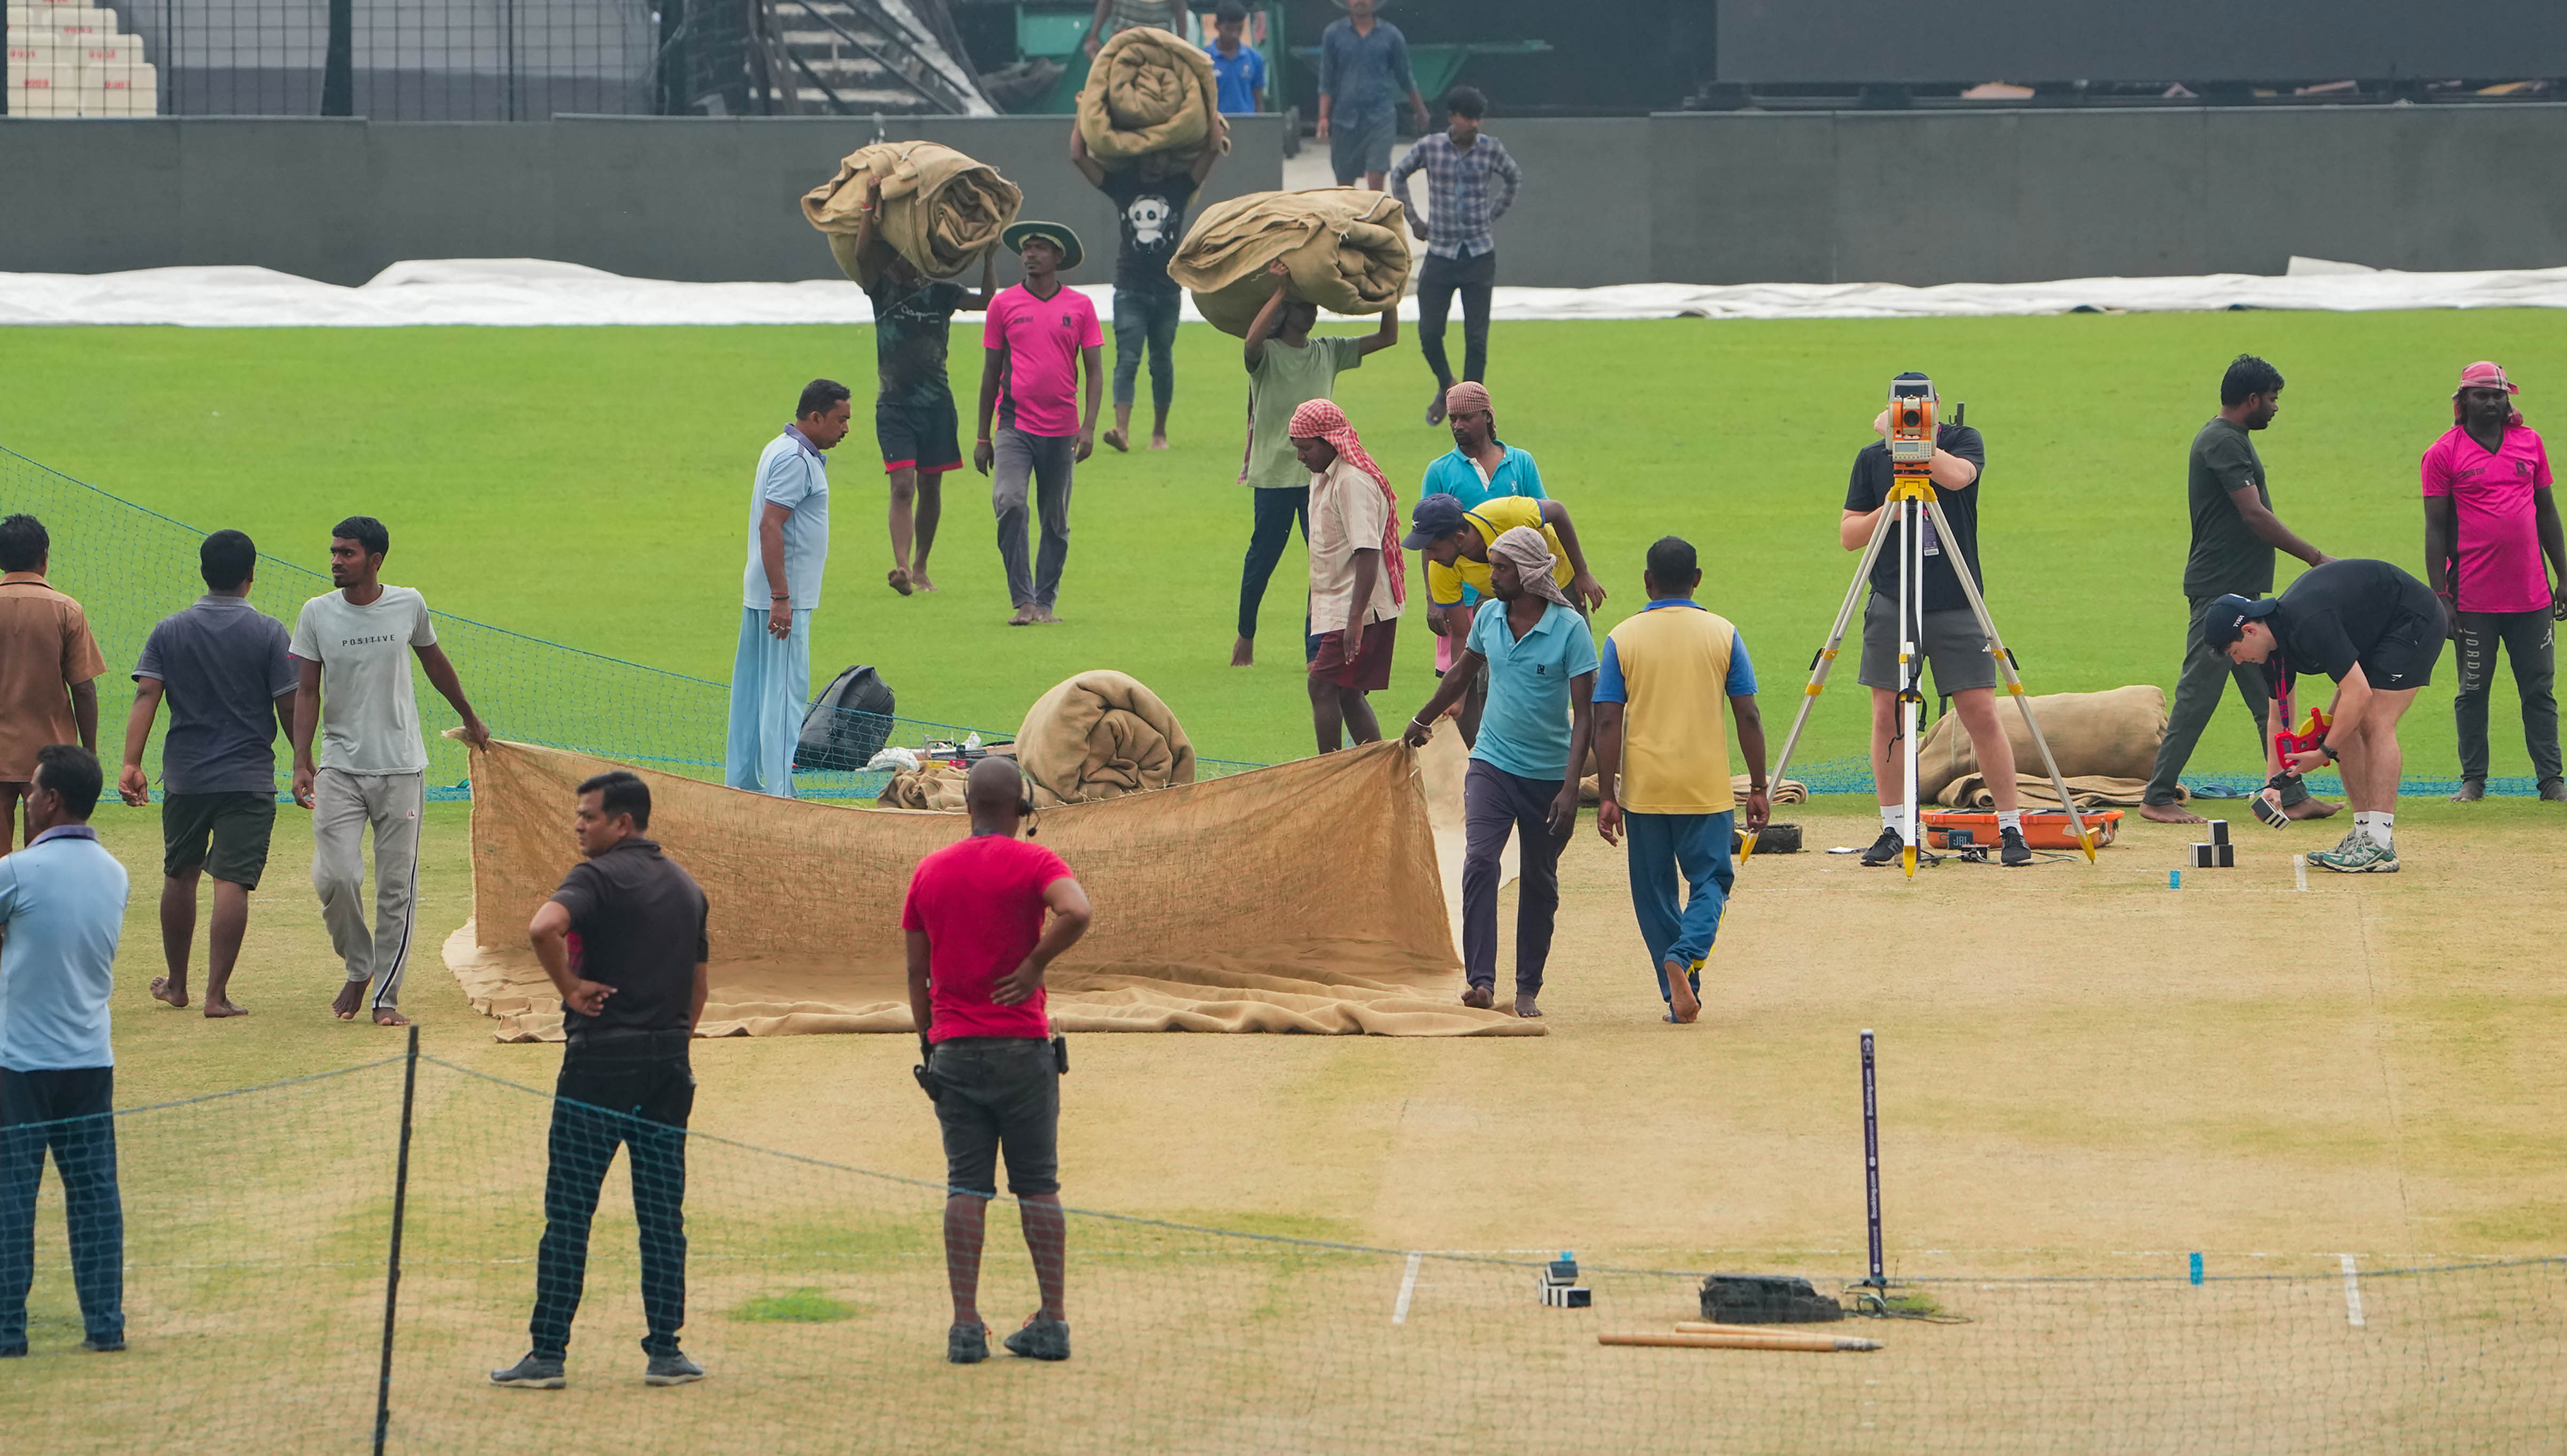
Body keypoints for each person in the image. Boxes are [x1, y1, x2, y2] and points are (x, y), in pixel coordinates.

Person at [492, 771, 709, 1391]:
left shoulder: (593, 878)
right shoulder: (686, 887)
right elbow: (699, 988)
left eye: (589, 815)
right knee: (662, 1212)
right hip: (668, 1066)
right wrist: (673, 1039)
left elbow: (542, 928)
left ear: (623, 822)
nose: (578, 825)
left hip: (598, 1066)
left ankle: (548, 1353)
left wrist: (570, 987)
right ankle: (666, 1350)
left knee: (569, 1210)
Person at [904, 757, 1092, 1366]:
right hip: (1023, 1048)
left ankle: (964, 1324)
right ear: (1022, 808)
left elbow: (915, 970)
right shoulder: (1037, 862)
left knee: (966, 1186)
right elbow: (1078, 911)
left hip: (954, 1048)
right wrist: (1035, 964)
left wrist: (930, 1039)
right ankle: (1053, 1320)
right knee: (1038, 1185)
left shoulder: (930, 871)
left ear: (968, 807)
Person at [289, 515, 493, 1027]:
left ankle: (385, 996)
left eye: (347, 553)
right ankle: (360, 966)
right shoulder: (316, 613)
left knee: (396, 888)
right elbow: (307, 691)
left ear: (375, 560)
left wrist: (468, 714)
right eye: (334, 551)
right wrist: (299, 759)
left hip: (402, 768)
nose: (336, 560)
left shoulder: (409, 603)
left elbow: (434, 663)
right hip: (339, 767)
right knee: (334, 876)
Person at [1400, 527, 1595, 1018]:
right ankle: (1481, 982)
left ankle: (1527, 986)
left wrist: (1572, 789)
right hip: (1491, 764)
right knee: (1480, 863)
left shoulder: (1571, 630)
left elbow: (1586, 714)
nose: (1493, 576)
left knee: (1539, 880)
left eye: (1502, 568)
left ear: (1530, 574)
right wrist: (1421, 720)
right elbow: (1463, 672)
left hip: (1549, 777)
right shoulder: (1489, 614)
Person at [1839, 374, 2031, 869]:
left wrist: (1911, 441)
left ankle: (2011, 829)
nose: (1911, 411)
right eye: (1903, 405)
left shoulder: (1963, 441)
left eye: (1920, 404)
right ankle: (1895, 827)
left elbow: (1958, 477)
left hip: (1956, 602)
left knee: (1981, 713)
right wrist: (1891, 509)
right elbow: (1849, 535)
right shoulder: (1871, 459)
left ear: (1937, 405)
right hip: (1892, 599)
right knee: (1887, 714)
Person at [2142, 355, 2339, 824]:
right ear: (2251, 399)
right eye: (2271, 399)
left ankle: (2290, 794)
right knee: (2198, 694)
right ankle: (2157, 795)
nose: (2274, 408)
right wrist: (2315, 558)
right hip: (2220, 593)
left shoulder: (2232, 439)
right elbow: (2253, 514)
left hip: (2242, 590)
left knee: (2271, 698)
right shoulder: (2222, 442)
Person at [116, 529, 296, 1019]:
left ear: (203, 572)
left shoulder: (169, 630)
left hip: (186, 777)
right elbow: (287, 705)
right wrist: (304, 761)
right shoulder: (269, 632)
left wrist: (132, 762)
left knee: (180, 874)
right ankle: (216, 996)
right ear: (250, 576)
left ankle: (177, 984)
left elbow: (147, 694)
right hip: (249, 778)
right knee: (231, 882)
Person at [1591, 538, 1768, 1026]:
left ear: (1647, 581)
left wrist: (1607, 794)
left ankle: (1679, 991)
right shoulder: (1723, 633)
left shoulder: (1622, 638)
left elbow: (1606, 723)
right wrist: (1757, 785)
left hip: (1645, 791)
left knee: (1653, 895)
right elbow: (1747, 715)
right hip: (1705, 788)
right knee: (1711, 880)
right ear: (1698, 579)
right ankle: (1685, 956)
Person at [0, 745, 129, 1358]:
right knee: (96, 1192)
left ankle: (6, 1330)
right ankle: (106, 1324)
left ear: (51, 800)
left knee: (10, 1194)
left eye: (30, 793)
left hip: (18, 1065)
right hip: (89, 1062)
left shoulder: (17, 871)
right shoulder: (115, 871)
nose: (25, 801)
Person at [2208, 559, 2447, 873]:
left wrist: (2323, 751)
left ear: (2249, 630)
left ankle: (2379, 843)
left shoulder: (2308, 621)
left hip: (2413, 618)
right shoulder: (2272, 650)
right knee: (2342, 726)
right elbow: (2278, 721)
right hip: (2376, 632)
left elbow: (2358, 693)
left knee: (2374, 722)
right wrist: (2272, 785)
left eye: (2235, 653)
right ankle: (2364, 834)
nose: (2239, 662)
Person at [1232, 262, 1398, 667]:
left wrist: (1388, 293)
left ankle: (1316, 650)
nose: (1313, 313)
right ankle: (1245, 637)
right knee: (1262, 558)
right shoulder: (1268, 355)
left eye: (1314, 307)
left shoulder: (1329, 351)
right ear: (1287, 313)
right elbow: (1250, 343)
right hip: (1273, 474)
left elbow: (1388, 337)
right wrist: (1279, 291)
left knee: (1324, 560)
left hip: (1321, 475)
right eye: (1304, 306)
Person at [844, 176, 998, 597]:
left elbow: (987, 302)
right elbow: (860, 253)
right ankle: (900, 568)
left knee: (932, 485)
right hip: (894, 405)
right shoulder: (883, 290)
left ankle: (922, 565)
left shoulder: (942, 293)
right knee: (904, 485)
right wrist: (870, 204)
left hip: (937, 406)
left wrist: (988, 258)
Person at [2422, 360, 2565, 802]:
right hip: (2473, 599)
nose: (2490, 402)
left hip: (2532, 596)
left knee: (2539, 689)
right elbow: (2435, 528)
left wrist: (2564, 576)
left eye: (2498, 395)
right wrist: (2441, 597)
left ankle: (2552, 780)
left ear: (2508, 400)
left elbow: (2546, 512)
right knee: (2473, 690)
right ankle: (2474, 779)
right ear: (2463, 401)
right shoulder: (2443, 453)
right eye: (2480, 395)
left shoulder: (2530, 443)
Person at [975, 223, 1103, 627]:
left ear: (1058, 257)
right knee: (1010, 502)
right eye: (1027, 249)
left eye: (1040, 249)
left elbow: (1095, 371)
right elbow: (990, 371)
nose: (1030, 255)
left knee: (1055, 519)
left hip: (1063, 429)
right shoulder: (1003, 305)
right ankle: (1023, 600)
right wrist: (982, 435)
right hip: (1014, 425)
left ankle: (1045, 601)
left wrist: (1088, 427)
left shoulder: (1081, 307)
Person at [727, 381, 851, 796]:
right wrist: (783, 597)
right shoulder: (797, 459)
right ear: (815, 418)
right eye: (841, 420)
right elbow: (770, 525)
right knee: (784, 695)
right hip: (782, 599)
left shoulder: (778, 447)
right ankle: (780, 794)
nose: (846, 429)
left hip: (765, 590)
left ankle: (744, 782)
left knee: (753, 690)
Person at [1068, 125, 1217, 454]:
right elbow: (1078, 155)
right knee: (1128, 359)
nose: (1155, 162)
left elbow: (1212, 149)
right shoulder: (1123, 186)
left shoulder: (1179, 187)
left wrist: (1209, 111)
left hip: (1167, 288)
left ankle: (1159, 435)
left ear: (1170, 159)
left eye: (1162, 155)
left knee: (1162, 361)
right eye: (1148, 155)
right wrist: (1084, 115)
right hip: (1129, 287)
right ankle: (1121, 430)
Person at [1416, 381, 1547, 725]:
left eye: (1466, 417)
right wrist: (1432, 599)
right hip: (1459, 595)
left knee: (1502, 685)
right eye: (1452, 419)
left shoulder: (1521, 462)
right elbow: (1428, 539)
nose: (1458, 425)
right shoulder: (1440, 470)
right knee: (1463, 687)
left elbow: (1542, 524)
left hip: (1514, 595)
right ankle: (1470, 765)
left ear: (1487, 417)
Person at [1391, 86, 1520, 425]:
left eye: (1479, 118)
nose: (1475, 124)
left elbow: (1513, 179)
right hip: (1442, 253)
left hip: (1479, 255)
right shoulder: (1431, 147)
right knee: (1429, 332)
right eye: (1469, 117)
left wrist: (1492, 214)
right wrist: (1415, 221)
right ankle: (1449, 386)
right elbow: (1399, 173)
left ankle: (1472, 410)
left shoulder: (1491, 150)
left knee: (1477, 339)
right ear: (1452, 117)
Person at [1294, 399, 1407, 752]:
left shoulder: (1352, 482)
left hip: (1361, 606)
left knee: (1323, 686)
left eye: (1306, 448)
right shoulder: (1324, 476)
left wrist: (1355, 619)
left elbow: (1368, 552)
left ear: (1330, 440)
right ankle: (1380, 775)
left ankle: (1330, 772)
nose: (1300, 457)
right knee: (1347, 693)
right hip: (1342, 603)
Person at [0, 515, 103, 856]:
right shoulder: (66, 610)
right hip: (50, 759)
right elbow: (84, 688)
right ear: (44, 558)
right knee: (45, 856)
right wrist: (88, 752)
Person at [1316, 0, 1427, 191]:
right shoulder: (1333, 35)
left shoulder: (1391, 36)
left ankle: (1375, 219)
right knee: (1345, 183)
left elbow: (1405, 78)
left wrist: (1420, 111)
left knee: (1377, 172)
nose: (1361, 1)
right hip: (1344, 118)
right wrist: (1324, 117)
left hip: (1380, 116)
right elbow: (1327, 80)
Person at [1204, 1, 1265, 114]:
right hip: (1216, 127)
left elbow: (1259, 101)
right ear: (1217, 26)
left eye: (1239, 29)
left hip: (1247, 127)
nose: (1235, 34)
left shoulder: (1255, 59)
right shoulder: (1203, 59)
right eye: (1229, 29)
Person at [1081, 0, 1185, 57]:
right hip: (1121, 46)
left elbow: (1180, 8)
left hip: (1158, 49)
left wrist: (1181, 45)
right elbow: (1106, 2)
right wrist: (1093, 37)